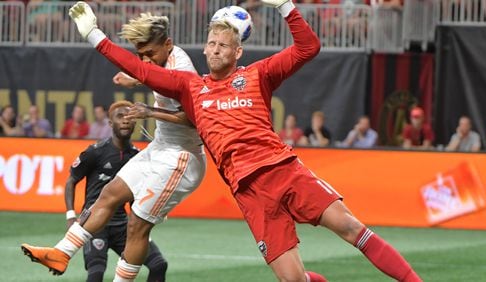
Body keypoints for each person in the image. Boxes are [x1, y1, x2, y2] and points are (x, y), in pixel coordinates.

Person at [22, 2, 421, 282]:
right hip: (250, 194)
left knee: (353, 229)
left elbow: (308, 48)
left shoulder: (258, 75)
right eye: (210, 45)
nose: (214, 51)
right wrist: (94, 35)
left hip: (284, 172)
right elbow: (137, 66)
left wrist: (285, 7)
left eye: (222, 46)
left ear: (238, 51)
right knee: (292, 279)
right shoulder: (190, 87)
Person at [21, 10, 206, 282]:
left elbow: (196, 120)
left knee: (137, 225)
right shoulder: (161, 60)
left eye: (150, 53)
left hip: (181, 158)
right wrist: (136, 78)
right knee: (108, 194)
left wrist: (150, 113)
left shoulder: (183, 70)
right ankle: (61, 253)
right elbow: (153, 74)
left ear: (168, 44)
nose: (146, 60)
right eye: (141, 54)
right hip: (160, 148)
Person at [65, 100, 167, 282]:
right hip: (96, 224)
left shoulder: (138, 157)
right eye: (120, 117)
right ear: (110, 124)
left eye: (129, 117)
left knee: (159, 264)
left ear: (135, 122)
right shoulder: (95, 152)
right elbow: (72, 180)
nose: (126, 120)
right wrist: (71, 216)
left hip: (123, 225)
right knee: (96, 273)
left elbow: (138, 195)